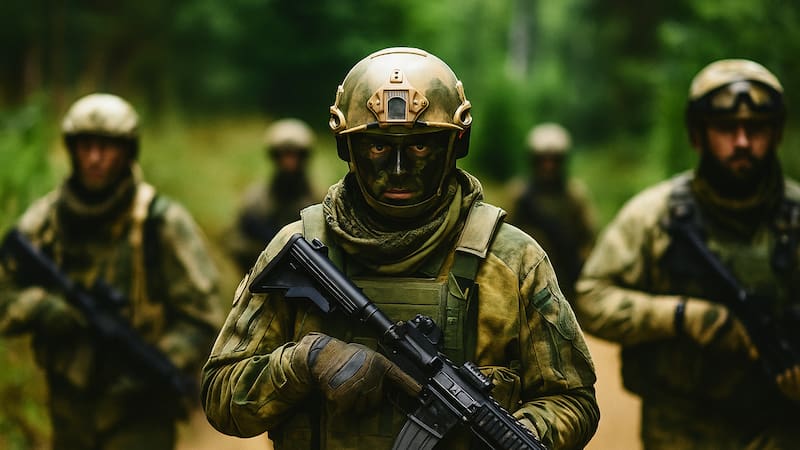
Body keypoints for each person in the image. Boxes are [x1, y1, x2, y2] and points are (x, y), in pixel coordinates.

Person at [201, 47, 599, 450]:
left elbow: (573, 399)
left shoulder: (512, 261)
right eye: (377, 146)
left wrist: (522, 434)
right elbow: (221, 396)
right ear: (347, 149)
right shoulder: (302, 246)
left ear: (454, 146)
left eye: (420, 147)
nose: (397, 169)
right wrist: (306, 361)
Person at [574, 59, 800, 449]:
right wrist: (682, 316)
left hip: (781, 427)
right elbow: (592, 298)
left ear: (776, 134)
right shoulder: (654, 216)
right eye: (727, 129)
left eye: (756, 128)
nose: (742, 142)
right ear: (698, 135)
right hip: (680, 430)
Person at [0, 93, 225, 450]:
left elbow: (205, 318)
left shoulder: (160, 221)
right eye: (85, 147)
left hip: (140, 413)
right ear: (71, 150)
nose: (94, 159)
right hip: (68, 407)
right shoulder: (45, 220)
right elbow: (5, 292)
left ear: (127, 151)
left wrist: (159, 363)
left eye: (106, 148)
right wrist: (39, 307)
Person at [506, 123, 597, 301]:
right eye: (543, 160)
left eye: (553, 160)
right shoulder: (519, 195)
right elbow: (504, 237)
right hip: (526, 279)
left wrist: (582, 270)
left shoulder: (574, 195)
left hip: (567, 280)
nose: (548, 166)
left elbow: (589, 238)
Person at [226, 118, 322, 273]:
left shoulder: (320, 201)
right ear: (275, 157)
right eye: (284, 156)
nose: (289, 163)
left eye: (294, 156)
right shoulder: (255, 200)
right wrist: (265, 247)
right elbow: (234, 243)